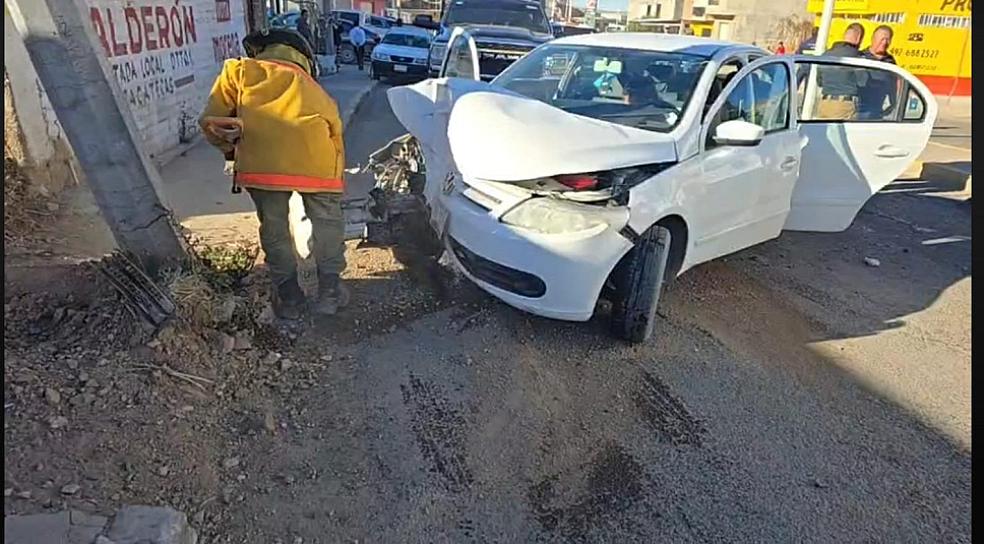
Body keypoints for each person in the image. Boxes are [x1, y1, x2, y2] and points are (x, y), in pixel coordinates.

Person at [199, 28, 349, 319]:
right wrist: (335, 178)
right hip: (316, 163)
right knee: (327, 223)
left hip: (263, 164)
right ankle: (329, 291)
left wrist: (229, 150)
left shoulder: (238, 71)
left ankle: (290, 297)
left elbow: (211, 121)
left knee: (275, 227)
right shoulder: (310, 84)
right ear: (301, 55)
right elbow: (335, 130)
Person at [815, 23, 868, 120]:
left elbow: (819, 82)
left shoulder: (825, 55)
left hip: (824, 104)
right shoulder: (856, 57)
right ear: (859, 38)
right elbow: (863, 82)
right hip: (844, 106)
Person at [858, 24, 899, 119]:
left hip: (877, 108)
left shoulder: (890, 61)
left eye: (887, 40)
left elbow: (893, 84)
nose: (884, 43)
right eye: (882, 39)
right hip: (859, 107)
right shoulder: (860, 57)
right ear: (873, 39)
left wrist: (893, 103)